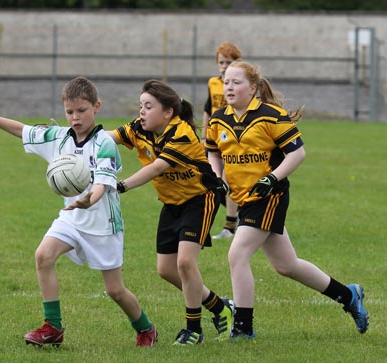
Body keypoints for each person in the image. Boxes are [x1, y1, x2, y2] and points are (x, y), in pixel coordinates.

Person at [0, 76, 158, 347]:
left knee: (114, 290)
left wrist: (90, 199)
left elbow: (102, 183)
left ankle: (146, 329)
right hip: (72, 218)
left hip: (103, 223)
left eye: (82, 110)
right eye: (70, 111)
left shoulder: (104, 143)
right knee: (43, 255)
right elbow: (22, 130)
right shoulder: (58, 137)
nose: (75, 117)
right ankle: (53, 327)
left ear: (96, 107)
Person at [206, 60, 369, 339]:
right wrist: (217, 177)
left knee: (237, 253)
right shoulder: (219, 119)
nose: (229, 87)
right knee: (286, 265)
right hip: (244, 198)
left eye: (236, 82)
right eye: (226, 82)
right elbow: (213, 152)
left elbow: (297, 154)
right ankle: (348, 295)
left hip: (270, 196)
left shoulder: (271, 116)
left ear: (253, 88)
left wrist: (272, 178)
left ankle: (243, 328)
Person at [91, 79, 233, 345]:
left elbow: (157, 167)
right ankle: (220, 307)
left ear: (168, 112)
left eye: (148, 106)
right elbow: (108, 136)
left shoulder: (181, 133)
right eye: (140, 106)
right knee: (166, 270)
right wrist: (77, 133)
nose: (141, 112)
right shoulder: (139, 128)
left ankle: (194, 330)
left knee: (185, 263)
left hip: (200, 199)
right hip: (172, 203)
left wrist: (119, 185)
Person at [202, 41, 242, 240]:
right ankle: (238, 218)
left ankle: (231, 226)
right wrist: (204, 134)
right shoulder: (213, 83)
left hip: (233, 135)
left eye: (229, 62)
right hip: (215, 136)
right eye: (221, 62)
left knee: (228, 179)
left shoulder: (240, 86)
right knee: (217, 179)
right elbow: (208, 109)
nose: (225, 66)